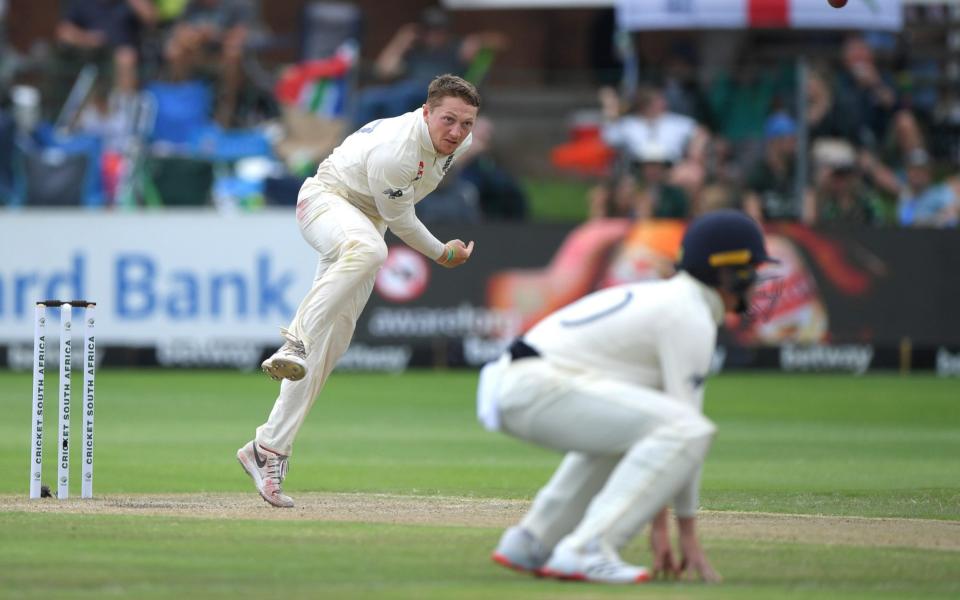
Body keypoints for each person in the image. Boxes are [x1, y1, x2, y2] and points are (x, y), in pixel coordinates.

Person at [478, 209, 777, 584]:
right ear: (730, 273)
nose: (758, 285)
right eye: (754, 272)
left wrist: (664, 524)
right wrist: (682, 532)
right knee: (687, 429)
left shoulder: (672, 299)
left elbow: (661, 435)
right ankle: (589, 548)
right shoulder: (689, 314)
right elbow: (686, 432)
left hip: (521, 382)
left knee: (647, 429)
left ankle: (534, 540)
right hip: (534, 386)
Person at [237, 74, 479, 508]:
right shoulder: (397, 150)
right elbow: (402, 221)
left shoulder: (456, 140)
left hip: (365, 223)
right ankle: (294, 339)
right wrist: (443, 254)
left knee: (332, 345)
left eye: (466, 124)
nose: (457, 133)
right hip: (325, 201)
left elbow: (390, 217)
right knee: (369, 250)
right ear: (426, 112)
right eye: (448, 120)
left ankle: (267, 448)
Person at [353, 6, 507, 127]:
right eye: (430, 30)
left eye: (440, 30)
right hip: (405, 91)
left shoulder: (456, 47)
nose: (435, 35)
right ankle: (360, 143)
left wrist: (479, 40)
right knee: (367, 98)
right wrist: (400, 42)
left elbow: (501, 41)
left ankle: (399, 138)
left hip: (439, 92)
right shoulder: (415, 48)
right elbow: (383, 70)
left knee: (405, 93)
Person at [163, 0, 253, 125]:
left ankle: (226, 110)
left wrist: (215, 35)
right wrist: (194, 36)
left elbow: (240, 36)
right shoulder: (192, 5)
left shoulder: (237, 5)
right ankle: (184, 104)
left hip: (222, 57)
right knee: (175, 50)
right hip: (198, 54)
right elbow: (179, 31)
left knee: (233, 53)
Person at [56, 0, 157, 96]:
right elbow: (63, 32)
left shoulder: (127, 3)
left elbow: (152, 19)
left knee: (125, 57)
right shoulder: (82, 2)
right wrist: (87, 39)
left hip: (124, 58)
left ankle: (123, 107)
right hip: (91, 56)